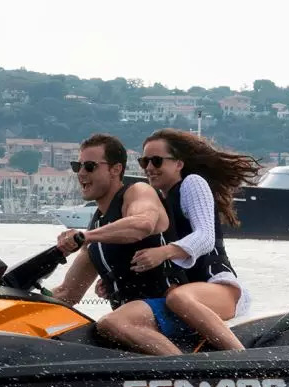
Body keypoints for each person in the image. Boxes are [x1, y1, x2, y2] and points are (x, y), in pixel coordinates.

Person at [123, 128, 261, 352]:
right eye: (144, 161)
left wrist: (164, 252)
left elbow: (205, 237)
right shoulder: (158, 200)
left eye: (156, 161)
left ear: (178, 164)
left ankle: (243, 359)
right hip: (185, 293)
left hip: (219, 287)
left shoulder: (192, 183)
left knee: (176, 298)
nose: (149, 168)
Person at [52, 133, 186, 356]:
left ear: (115, 169)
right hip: (133, 318)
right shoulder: (97, 226)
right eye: (78, 166)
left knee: (111, 323)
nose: (81, 173)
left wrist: (86, 236)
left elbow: (142, 224)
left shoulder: (138, 192)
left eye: (90, 166)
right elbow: (68, 293)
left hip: (170, 309)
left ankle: (185, 371)